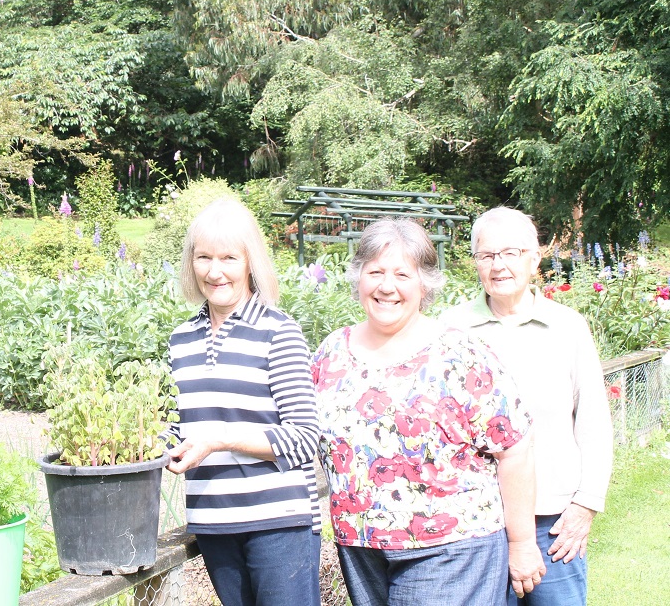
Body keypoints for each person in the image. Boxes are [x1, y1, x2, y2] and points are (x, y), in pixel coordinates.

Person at [312, 218, 545, 606]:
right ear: (358, 279)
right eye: (376, 272)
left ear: (425, 284)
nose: (387, 286)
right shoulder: (330, 353)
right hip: (361, 549)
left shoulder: (459, 353)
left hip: (452, 548)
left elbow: (515, 448)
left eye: (403, 274)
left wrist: (521, 542)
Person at [442, 207, 613, 606]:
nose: (498, 266)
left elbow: (593, 422)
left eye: (511, 253)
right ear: (475, 263)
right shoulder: (451, 329)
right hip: (476, 523)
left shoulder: (567, 327)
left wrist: (586, 504)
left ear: (535, 259)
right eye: (486, 256)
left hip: (554, 523)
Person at [166, 197, 321, 606]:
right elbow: (182, 425)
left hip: (279, 523)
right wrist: (148, 443)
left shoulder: (278, 331)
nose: (214, 271)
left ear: (250, 261)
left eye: (228, 258)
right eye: (203, 258)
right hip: (214, 522)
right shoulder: (181, 340)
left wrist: (221, 440)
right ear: (191, 262)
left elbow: (304, 438)